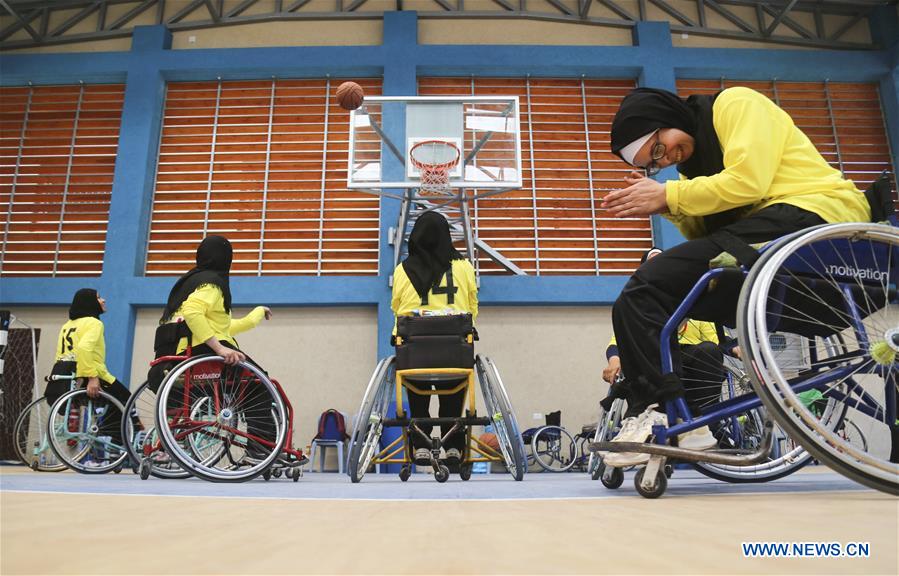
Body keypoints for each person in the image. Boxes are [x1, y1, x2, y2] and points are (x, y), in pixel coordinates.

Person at [601, 86, 870, 463]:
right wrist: (667, 207)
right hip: (769, 237)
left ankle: (663, 414)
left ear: (666, 118)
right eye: (654, 163)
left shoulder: (734, 104)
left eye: (659, 148)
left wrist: (669, 196)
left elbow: (750, 181)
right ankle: (676, 418)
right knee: (647, 294)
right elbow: (706, 237)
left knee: (649, 283)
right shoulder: (695, 170)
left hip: (815, 217)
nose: (666, 159)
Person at [156, 235, 275, 456]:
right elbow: (193, 312)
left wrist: (258, 312)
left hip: (178, 358)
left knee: (253, 384)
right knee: (262, 384)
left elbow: (225, 327)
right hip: (205, 354)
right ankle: (261, 451)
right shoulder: (212, 284)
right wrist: (219, 349)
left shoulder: (188, 283)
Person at [391, 211, 478, 465]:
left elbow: (397, 308)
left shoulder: (402, 270)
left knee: (414, 378)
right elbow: (472, 307)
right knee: (453, 385)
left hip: (415, 354)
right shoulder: (464, 267)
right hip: (454, 351)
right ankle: (453, 445)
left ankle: (420, 443)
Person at [48, 288, 131, 454]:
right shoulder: (94, 323)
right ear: (89, 302)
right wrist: (92, 377)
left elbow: (61, 354)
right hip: (90, 373)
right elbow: (84, 349)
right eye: (99, 298)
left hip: (67, 375)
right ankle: (118, 446)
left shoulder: (67, 325)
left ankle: (111, 441)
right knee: (128, 400)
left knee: (107, 407)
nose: (103, 300)